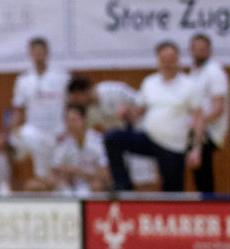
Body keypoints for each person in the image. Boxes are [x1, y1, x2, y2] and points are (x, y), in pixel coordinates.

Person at [104, 40, 203, 192]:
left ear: (178, 59)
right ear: (158, 60)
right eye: (164, 59)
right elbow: (138, 111)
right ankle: (123, 185)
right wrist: (126, 112)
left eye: (172, 59)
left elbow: (197, 118)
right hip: (150, 138)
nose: (168, 63)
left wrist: (195, 149)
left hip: (174, 145)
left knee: (173, 192)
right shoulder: (150, 82)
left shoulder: (189, 85)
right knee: (112, 138)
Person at [0, 37, 69, 194]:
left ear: (47, 53)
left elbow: (71, 106)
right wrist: (7, 133)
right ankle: (4, 187)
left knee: (52, 182)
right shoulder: (24, 80)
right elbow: (18, 110)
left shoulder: (62, 77)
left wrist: (67, 130)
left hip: (57, 133)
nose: (38, 55)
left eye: (41, 51)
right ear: (30, 54)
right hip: (32, 131)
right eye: (35, 52)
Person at [65, 74, 160, 190]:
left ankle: (147, 206)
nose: (77, 104)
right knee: (119, 178)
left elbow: (142, 104)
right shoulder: (89, 111)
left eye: (76, 99)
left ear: (83, 93)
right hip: (118, 144)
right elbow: (82, 129)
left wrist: (131, 114)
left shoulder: (114, 91)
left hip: (139, 133)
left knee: (143, 178)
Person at [189, 33, 227, 194]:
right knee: (198, 171)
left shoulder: (214, 72)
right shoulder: (195, 72)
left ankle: (208, 206)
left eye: (203, 49)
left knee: (203, 173)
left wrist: (195, 122)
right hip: (197, 128)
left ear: (209, 50)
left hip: (210, 131)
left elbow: (218, 109)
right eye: (196, 48)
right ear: (191, 50)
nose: (200, 52)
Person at [48, 105, 108, 195]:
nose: (71, 124)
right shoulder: (63, 143)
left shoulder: (98, 141)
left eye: (74, 120)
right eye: (68, 121)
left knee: (97, 185)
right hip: (70, 187)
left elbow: (105, 175)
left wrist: (78, 173)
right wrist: (63, 176)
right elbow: (54, 170)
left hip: (92, 186)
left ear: (84, 120)